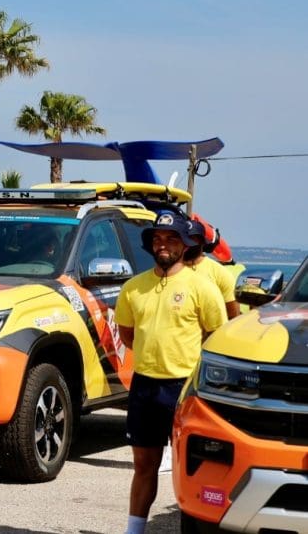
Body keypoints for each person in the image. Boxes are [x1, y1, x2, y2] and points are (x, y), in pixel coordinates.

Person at [114, 212, 227, 534]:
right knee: (144, 465)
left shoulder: (201, 286)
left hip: (185, 390)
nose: (163, 245)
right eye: (157, 239)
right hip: (144, 387)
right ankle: (134, 530)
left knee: (190, 468)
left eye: (171, 238)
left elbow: (217, 336)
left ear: (186, 244)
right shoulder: (134, 288)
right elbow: (128, 336)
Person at [184, 219, 240, 320]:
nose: (188, 243)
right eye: (185, 238)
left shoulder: (220, 274)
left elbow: (233, 316)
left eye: (193, 239)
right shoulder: (168, 270)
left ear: (202, 242)